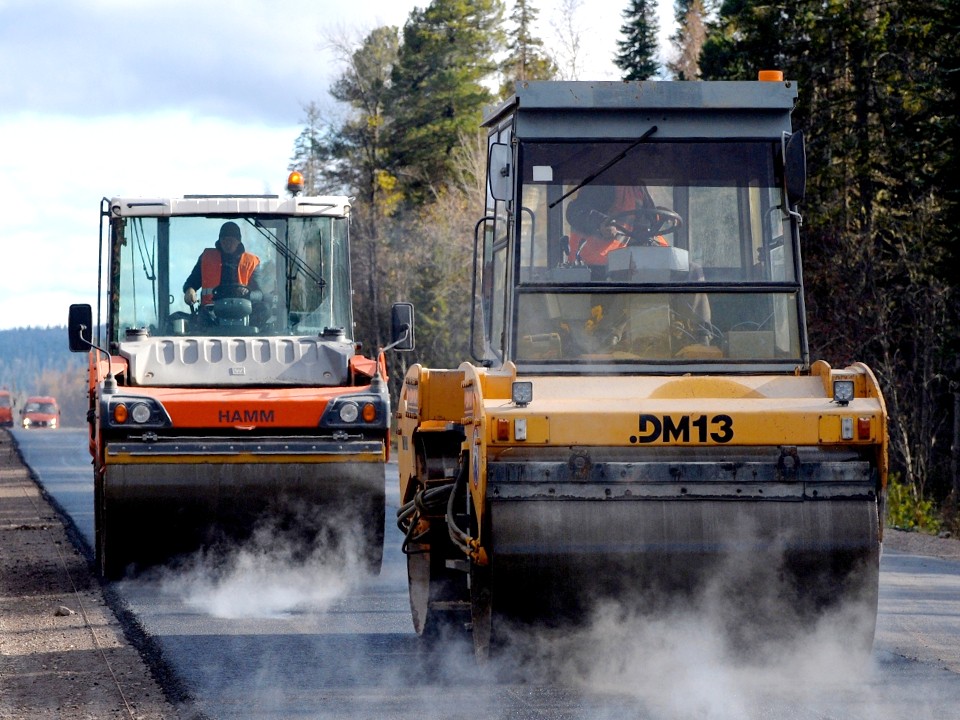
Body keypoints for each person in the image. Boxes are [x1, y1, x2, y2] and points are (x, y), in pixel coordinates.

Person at [564, 184, 670, 273]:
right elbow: (575, 210)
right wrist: (601, 222)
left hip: (625, 268)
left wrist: (661, 216)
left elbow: (641, 223)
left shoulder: (637, 187)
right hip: (593, 271)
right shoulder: (604, 182)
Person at [183, 221, 261, 307]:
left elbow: (260, 294)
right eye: (224, 240)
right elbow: (192, 282)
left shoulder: (251, 262)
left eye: (231, 240)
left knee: (265, 309)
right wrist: (189, 290)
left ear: (238, 241)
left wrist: (247, 294)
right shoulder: (207, 258)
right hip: (210, 313)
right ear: (219, 241)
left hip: (242, 311)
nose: (227, 244)